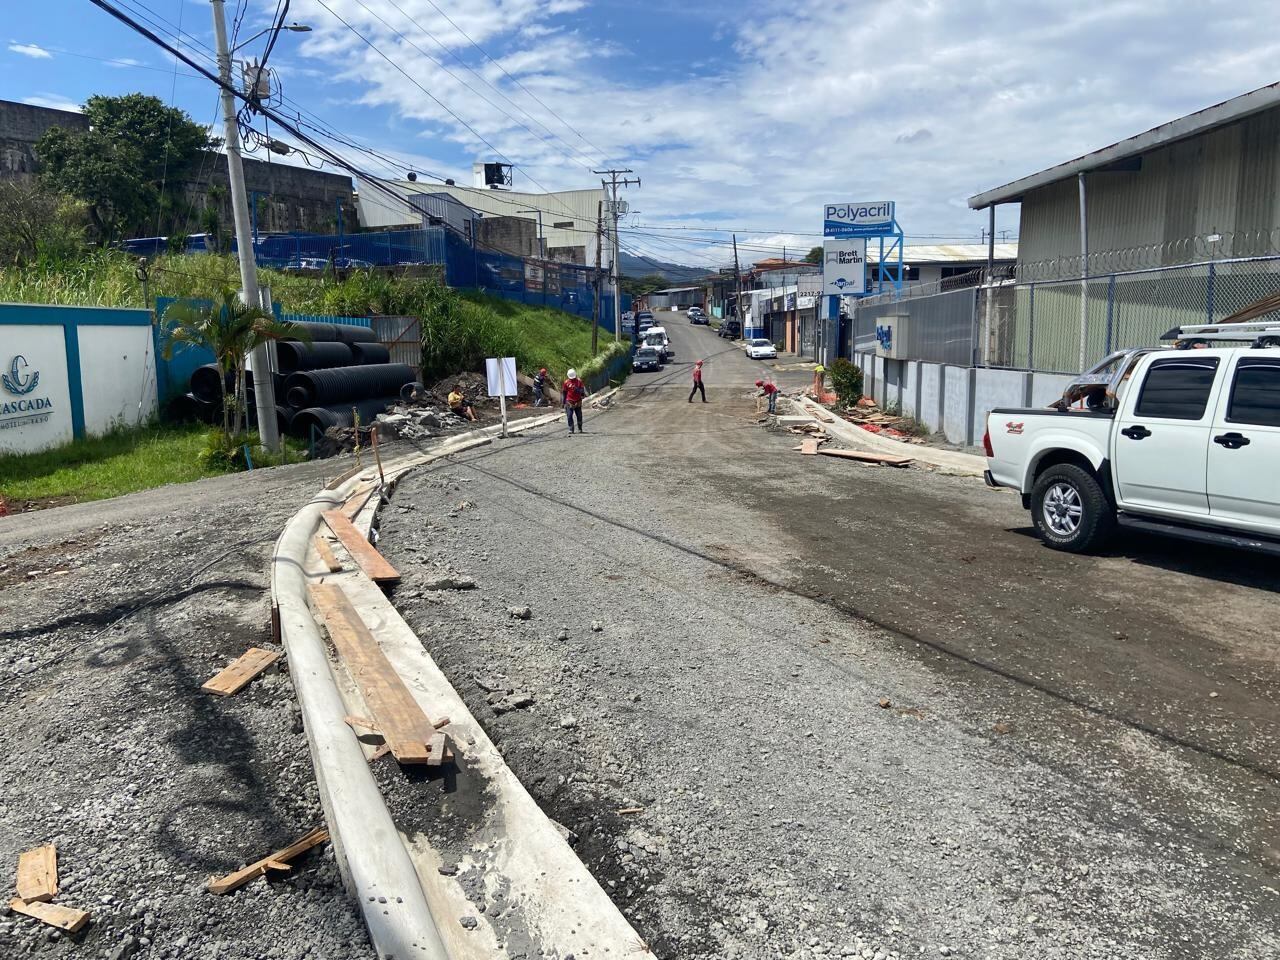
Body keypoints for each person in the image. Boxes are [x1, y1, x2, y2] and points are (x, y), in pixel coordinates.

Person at [562, 367, 586, 433]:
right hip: (569, 401)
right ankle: (571, 429)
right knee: (569, 416)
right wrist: (563, 402)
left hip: (578, 401)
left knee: (579, 415)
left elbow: (582, 392)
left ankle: (580, 428)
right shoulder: (566, 383)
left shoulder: (579, 382)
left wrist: (577, 390)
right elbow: (564, 393)